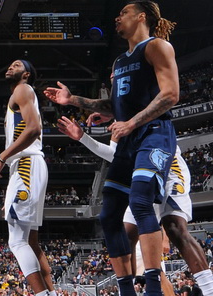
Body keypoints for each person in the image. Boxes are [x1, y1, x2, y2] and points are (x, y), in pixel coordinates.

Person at [44, 0, 180, 296]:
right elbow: (114, 104)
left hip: (154, 133)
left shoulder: (156, 47)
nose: (117, 18)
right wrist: (73, 100)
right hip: (128, 140)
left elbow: (171, 94)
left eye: (124, 13)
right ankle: (126, 290)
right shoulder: (120, 62)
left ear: (141, 17)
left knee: (141, 202)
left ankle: (154, 288)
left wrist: (131, 122)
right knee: (108, 215)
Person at [57, 115, 213, 295]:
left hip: (167, 165)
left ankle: (209, 289)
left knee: (174, 227)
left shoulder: (141, 111)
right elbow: (116, 155)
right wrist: (83, 136)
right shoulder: (119, 119)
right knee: (127, 235)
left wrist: (85, 135)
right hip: (141, 175)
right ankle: (129, 290)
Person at [0, 60, 56, 296]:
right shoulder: (21, 94)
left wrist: (2, 156)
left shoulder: (22, 89)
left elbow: (34, 129)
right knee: (31, 242)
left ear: (26, 74)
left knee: (17, 241)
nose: (9, 67)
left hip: (26, 164)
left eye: (16, 65)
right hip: (27, 168)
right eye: (9, 65)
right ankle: (51, 293)